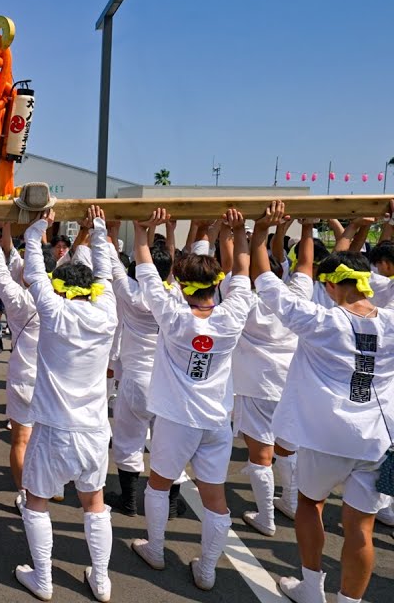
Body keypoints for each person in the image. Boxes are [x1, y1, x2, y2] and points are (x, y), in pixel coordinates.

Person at [248, 201, 393, 603]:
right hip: (376, 441)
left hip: (326, 436)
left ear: (329, 288)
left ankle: (311, 588)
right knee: (361, 528)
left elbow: (267, 282)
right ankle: (350, 601)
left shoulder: (321, 320)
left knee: (310, 504)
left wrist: (261, 234)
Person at [129, 208, 256, 592]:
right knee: (215, 496)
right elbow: (244, 275)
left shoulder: (173, 315)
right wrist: (238, 234)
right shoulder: (232, 315)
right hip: (217, 419)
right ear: (215, 284)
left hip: (177, 417)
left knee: (159, 484)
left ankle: (155, 547)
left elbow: (147, 271)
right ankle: (208, 569)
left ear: (182, 285)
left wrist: (141, 229)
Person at [13, 206, 118, 603]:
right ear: (89, 288)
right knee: (94, 502)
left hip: (54, 428)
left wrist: (39, 225)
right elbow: (105, 275)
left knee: (37, 501)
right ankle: (103, 580)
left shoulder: (53, 312)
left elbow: (35, 271)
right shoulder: (106, 314)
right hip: (93, 429)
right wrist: (100, 230)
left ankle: (43, 578)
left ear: (61, 287)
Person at [218, 214, 311, 536]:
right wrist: (308, 226)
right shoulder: (295, 298)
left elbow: (233, 266)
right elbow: (305, 265)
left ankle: (267, 516)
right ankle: (291, 501)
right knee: (288, 447)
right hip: (293, 382)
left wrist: (236, 233)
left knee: (261, 454)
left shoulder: (244, 300)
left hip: (257, 383)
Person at [103, 229, 172, 519]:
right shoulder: (175, 296)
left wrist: (109, 231)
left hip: (135, 379)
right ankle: (171, 505)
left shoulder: (130, 293)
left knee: (128, 440)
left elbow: (112, 261)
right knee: (169, 444)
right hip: (169, 384)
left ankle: (130, 500)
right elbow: (174, 269)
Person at [0, 223, 48, 514]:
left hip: (24, 378)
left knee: (21, 439)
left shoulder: (20, 301)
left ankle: (24, 494)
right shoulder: (65, 301)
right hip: (54, 382)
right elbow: (11, 262)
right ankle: (47, 487)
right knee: (47, 438)